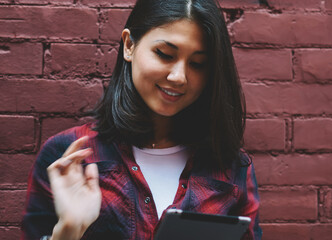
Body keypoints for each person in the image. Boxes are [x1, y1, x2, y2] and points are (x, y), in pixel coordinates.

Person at [22, 0, 262, 239]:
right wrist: (69, 230)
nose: (179, 77)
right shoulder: (66, 157)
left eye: (198, 64)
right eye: (165, 54)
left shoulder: (231, 166)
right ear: (129, 45)